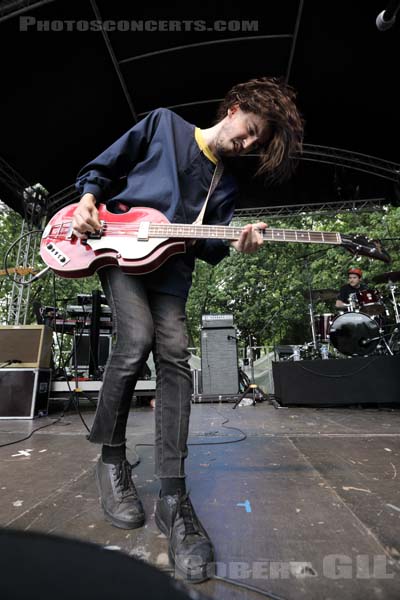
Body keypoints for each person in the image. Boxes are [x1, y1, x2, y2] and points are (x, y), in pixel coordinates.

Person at [71, 76, 304, 582]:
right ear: (235, 108)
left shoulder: (227, 184)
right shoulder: (163, 125)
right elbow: (103, 168)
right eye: (248, 132)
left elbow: (210, 246)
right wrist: (89, 199)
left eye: (254, 144)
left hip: (172, 273)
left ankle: (173, 497)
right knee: (134, 342)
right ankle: (111, 461)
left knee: (175, 355)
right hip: (121, 250)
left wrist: (236, 243)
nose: (245, 144)